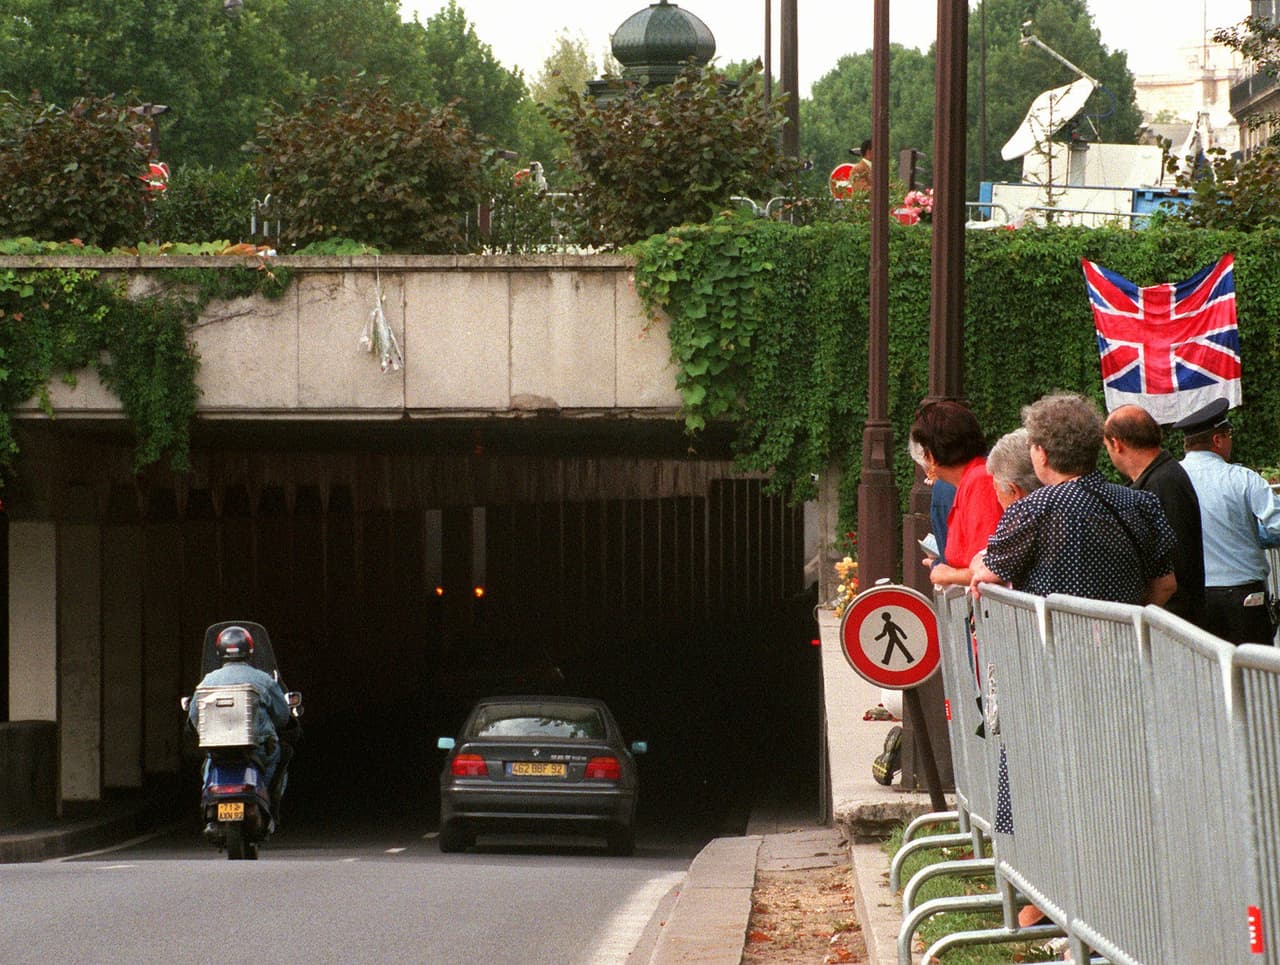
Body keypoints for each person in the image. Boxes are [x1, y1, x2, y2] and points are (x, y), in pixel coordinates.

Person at [972, 393, 1177, 606]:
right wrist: (1128, 619)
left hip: (1054, 628)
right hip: (1125, 626)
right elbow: (1166, 584)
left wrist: (979, 566)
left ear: (1042, 454)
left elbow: (990, 571)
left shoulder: (1033, 508)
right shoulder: (1142, 503)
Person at [1175, 398, 1280, 644]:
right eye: (1229, 435)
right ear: (1218, 440)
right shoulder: (1242, 478)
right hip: (1244, 597)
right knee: (1253, 665)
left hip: (1195, 596)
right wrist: (1259, 535)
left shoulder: (1171, 479)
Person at [1103, 404, 1207, 628]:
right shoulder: (1158, 479)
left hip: (1173, 621)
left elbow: (1176, 564)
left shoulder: (1163, 483)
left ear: (1116, 444)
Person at [188, 626, 293, 819]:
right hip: (259, 749)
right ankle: (268, 803)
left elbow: (195, 715)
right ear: (250, 650)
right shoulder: (263, 680)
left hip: (218, 750)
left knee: (208, 765)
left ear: (220, 652)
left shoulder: (208, 681)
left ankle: (207, 803)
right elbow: (282, 716)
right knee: (279, 757)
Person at [910, 401, 1004, 587]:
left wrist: (948, 575)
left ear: (931, 455)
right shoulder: (970, 480)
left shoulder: (980, 481)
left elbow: (989, 568)